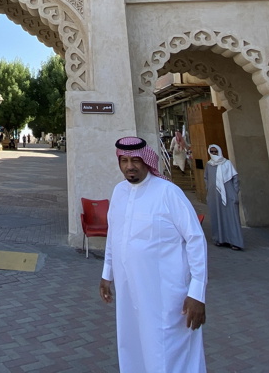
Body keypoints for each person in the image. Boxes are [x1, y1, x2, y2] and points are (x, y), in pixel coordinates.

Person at [99, 136, 207, 372]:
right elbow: (114, 236)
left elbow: (196, 240)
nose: (130, 166)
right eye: (124, 160)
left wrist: (197, 293)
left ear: (147, 160)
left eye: (136, 160)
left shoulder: (169, 192)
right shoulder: (118, 192)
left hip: (166, 295)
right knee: (132, 343)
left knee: (168, 351)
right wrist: (107, 274)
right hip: (129, 292)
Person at [204, 145, 244, 251]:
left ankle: (235, 241)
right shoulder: (209, 165)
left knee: (231, 217)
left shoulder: (227, 163)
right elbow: (206, 179)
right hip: (214, 196)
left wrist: (234, 193)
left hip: (228, 194)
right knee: (217, 217)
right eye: (212, 151)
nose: (214, 153)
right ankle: (220, 239)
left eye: (215, 151)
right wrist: (209, 192)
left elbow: (235, 178)